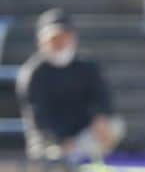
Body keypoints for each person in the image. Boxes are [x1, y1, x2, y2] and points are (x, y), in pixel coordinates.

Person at [17, 9, 124, 161]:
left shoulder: (87, 67)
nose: (60, 43)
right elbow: (39, 119)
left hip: (83, 135)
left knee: (115, 126)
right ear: (42, 41)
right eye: (55, 38)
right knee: (53, 154)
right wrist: (62, 140)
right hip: (50, 143)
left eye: (64, 37)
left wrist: (101, 117)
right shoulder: (34, 74)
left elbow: (103, 97)